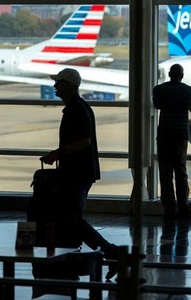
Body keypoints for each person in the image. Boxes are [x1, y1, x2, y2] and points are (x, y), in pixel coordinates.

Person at [39, 67, 119, 281]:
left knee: (72, 217)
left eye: (59, 82)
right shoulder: (80, 107)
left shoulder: (76, 109)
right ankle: (94, 253)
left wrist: (57, 153)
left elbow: (84, 141)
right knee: (70, 217)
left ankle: (109, 252)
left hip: (78, 172)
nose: (55, 86)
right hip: (80, 171)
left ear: (69, 85)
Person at [153, 63, 191, 219]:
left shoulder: (159, 89)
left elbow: (157, 105)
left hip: (164, 135)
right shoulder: (188, 90)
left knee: (165, 174)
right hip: (180, 137)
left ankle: (169, 208)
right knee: (181, 172)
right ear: (182, 75)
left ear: (169, 74)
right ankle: (183, 207)